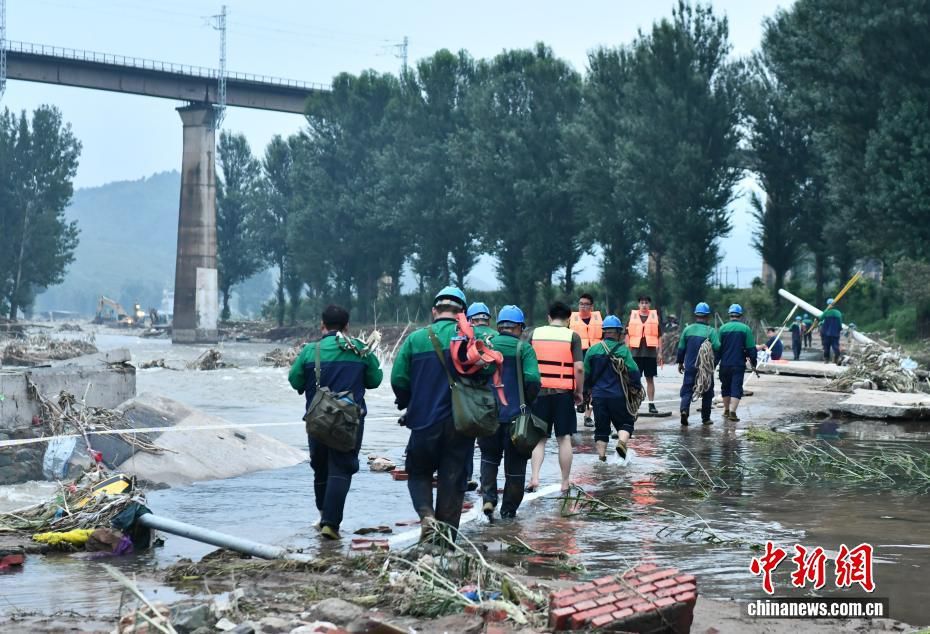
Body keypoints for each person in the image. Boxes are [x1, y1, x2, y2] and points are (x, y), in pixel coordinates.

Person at [391, 286, 489, 541]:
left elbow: (398, 379)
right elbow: (488, 374)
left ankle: (426, 516)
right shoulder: (472, 339)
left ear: (435, 311)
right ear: (463, 314)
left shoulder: (416, 339)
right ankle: (444, 543)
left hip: (423, 421)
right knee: (453, 479)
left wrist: (408, 402)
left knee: (419, 471)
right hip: (461, 423)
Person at [288, 304, 383, 540]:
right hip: (350, 422)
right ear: (347, 326)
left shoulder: (311, 351)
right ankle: (331, 523)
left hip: (317, 419)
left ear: (322, 326)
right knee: (341, 468)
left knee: (320, 468)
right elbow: (375, 380)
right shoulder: (359, 349)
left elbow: (295, 381)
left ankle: (323, 515)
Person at [479, 305, 540, 519]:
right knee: (515, 467)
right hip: (517, 419)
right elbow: (533, 381)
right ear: (520, 328)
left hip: (488, 417)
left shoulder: (486, 346)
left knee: (488, 458)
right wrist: (527, 403)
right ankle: (508, 512)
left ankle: (488, 499)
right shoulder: (524, 349)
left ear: (499, 326)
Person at [529, 300, 584, 492]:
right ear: (569, 319)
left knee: (539, 439)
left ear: (549, 318)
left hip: (539, 393)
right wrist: (579, 391)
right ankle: (565, 482)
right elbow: (578, 367)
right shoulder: (573, 336)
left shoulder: (534, 334)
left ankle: (535, 478)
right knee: (564, 439)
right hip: (563, 394)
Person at [584, 315, 642, 461]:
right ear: (617, 332)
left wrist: (585, 393)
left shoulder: (592, 350)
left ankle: (602, 458)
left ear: (604, 332)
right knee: (626, 423)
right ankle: (621, 443)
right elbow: (634, 371)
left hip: (598, 397)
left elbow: (586, 374)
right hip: (618, 396)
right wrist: (635, 387)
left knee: (601, 429)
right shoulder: (623, 351)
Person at [462, 302, 495, 493]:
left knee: (467, 439)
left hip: (469, 398)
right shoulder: (498, 337)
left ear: (469, 320)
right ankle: (487, 483)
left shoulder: (464, 338)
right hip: (495, 399)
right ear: (488, 319)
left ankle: (466, 477)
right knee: (489, 445)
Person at [677, 302, 720, 426]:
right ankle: (705, 419)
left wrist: (680, 363)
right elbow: (717, 347)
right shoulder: (710, 331)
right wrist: (714, 364)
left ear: (696, 315)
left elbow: (681, 348)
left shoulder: (687, 329)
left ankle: (684, 410)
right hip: (705, 369)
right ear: (707, 317)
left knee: (687, 390)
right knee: (707, 391)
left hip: (690, 367)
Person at [717, 304, 758, 423]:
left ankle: (725, 410)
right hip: (738, 364)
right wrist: (753, 363)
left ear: (730, 315)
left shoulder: (722, 329)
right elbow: (751, 348)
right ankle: (733, 412)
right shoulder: (745, 329)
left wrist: (714, 363)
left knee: (725, 387)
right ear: (740, 315)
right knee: (736, 387)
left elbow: (718, 348)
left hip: (724, 364)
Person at [569, 293, 603, 427]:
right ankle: (575, 409)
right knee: (574, 383)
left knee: (593, 385)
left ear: (591, 306)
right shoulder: (571, 319)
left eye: (586, 304)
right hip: (577, 354)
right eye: (581, 304)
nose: (583, 306)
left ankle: (588, 417)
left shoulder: (599, 320)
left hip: (594, 354)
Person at [626, 295, 662, 414]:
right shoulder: (632, 317)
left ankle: (651, 405)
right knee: (633, 380)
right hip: (635, 354)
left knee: (650, 379)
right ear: (638, 305)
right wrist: (627, 351)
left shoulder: (654, 317)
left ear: (649, 305)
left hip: (650, 354)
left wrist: (660, 352)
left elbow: (659, 336)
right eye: (642, 302)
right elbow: (627, 334)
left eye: (646, 302)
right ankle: (632, 404)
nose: (644, 305)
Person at [820, 298, 843, 365]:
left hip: (826, 333)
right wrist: (839, 330)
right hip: (835, 333)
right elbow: (840, 323)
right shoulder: (838, 313)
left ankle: (826, 360)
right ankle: (837, 358)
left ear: (828, 305)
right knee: (835, 346)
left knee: (826, 347)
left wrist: (817, 318)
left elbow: (820, 318)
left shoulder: (826, 312)